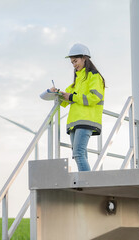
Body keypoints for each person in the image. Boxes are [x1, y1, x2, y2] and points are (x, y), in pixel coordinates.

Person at [51, 43, 105, 171]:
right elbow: (65, 100)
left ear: (84, 58)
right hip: (75, 122)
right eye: (72, 62)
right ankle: (87, 180)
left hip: (87, 119)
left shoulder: (94, 76)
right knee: (79, 154)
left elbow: (94, 98)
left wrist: (71, 97)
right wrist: (56, 93)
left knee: (78, 153)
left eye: (75, 61)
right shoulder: (76, 82)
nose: (74, 64)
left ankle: (88, 183)